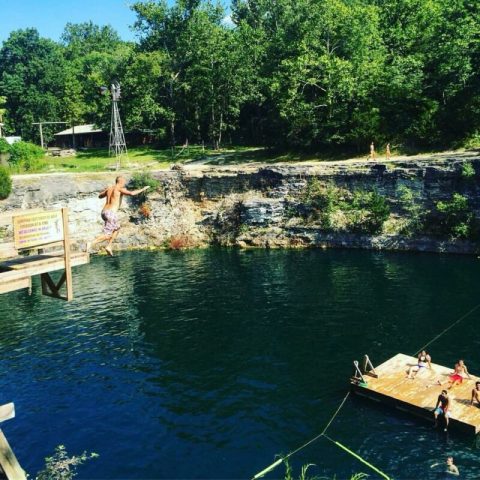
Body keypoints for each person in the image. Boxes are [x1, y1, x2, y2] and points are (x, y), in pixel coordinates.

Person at [86, 176, 150, 256]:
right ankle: (91, 243)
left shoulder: (109, 188)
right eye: (124, 182)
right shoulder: (119, 189)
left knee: (117, 229)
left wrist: (107, 192)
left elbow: (100, 196)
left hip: (104, 212)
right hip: (111, 213)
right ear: (121, 181)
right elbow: (132, 193)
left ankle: (109, 246)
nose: (124, 184)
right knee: (107, 235)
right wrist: (143, 189)